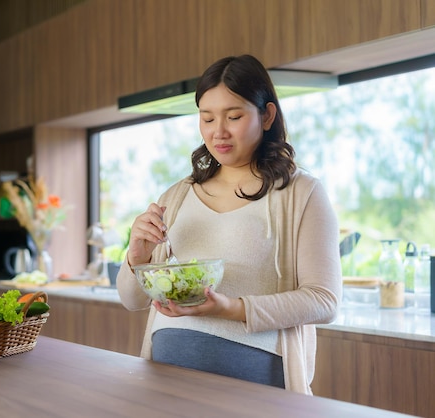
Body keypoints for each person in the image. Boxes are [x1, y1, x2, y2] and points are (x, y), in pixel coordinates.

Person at [116, 54, 342, 395]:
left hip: (255, 390)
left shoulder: (301, 193)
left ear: (266, 116)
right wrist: (137, 257)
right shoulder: (177, 195)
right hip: (164, 384)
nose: (217, 131)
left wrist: (232, 309)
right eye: (207, 118)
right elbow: (132, 300)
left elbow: (324, 300)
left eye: (233, 116)